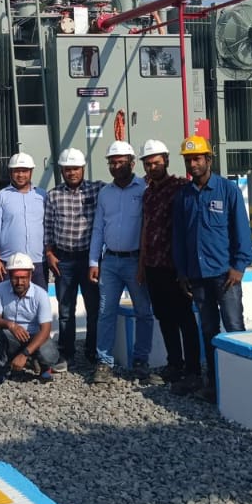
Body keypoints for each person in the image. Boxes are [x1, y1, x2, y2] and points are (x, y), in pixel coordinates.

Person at [171, 135, 252, 402]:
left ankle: (242, 383)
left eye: (197, 159)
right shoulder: (183, 196)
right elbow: (179, 238)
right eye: (188, 160)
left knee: (234, 326)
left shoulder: (228, 191)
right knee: (208, 330)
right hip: (197, 276)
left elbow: (241, 232)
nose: (192, 164)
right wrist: (182, 272)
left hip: (225, 276)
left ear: (209, 159)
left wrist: (239, 266)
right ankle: (215, 382)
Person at [89, 140, 158, 386]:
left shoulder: (144, 189)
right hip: (110, 262)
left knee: (143, 312)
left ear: (132, 163)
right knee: (105, 312)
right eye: (112, 162)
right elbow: (98, 228)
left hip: (135, 262)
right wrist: (93, 261)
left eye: (120, 162)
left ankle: (141, 361)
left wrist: (144, 263)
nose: (116, 166)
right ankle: (104, 362)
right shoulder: (105, 193)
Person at [137, 139, 200, 393]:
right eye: (148, 164)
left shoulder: (180, 188)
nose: (152, 167)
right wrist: (142, 264)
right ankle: (174, 363)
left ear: (166, 161)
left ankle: (193, 369)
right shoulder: (148, 193)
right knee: (164, 317)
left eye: (156, 163)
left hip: (176, 267)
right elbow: (145, 228)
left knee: (184, 317)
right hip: (154, 266)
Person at [44, 147, 103, 370]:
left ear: (83, 168)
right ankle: (67, 353)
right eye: (67, 169)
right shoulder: (53, 195)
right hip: (64, 260)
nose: (72, 173)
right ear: (61, 171)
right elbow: (48, 227)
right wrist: (49, 254)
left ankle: (92, 351)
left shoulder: (96, 190)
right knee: (66, 310)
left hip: (89, 259)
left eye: (76, 168)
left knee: (93, 307)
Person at [0, 252, 59, 387]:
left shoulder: (40, 294)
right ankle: (1, 368)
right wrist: (11, 325)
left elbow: (45, 330)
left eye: (23, 278)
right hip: (12, 336)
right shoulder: (1, 289)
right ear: (9, 275)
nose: (19, 282)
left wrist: (24, 354)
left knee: (49, 354)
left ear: (30, 276)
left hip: (34, 337)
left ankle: (43, 367)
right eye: (15, 278)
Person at [0, 153, 48, 289]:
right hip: (9, 262)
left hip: (38, 262)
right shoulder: (0, 197)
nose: (20, 175)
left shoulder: (42, 196)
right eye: (16, 171)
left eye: (24, 171)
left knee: (39, 300)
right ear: (10, 172)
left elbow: (49, 227)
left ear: (31, 172)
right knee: (9, 301)